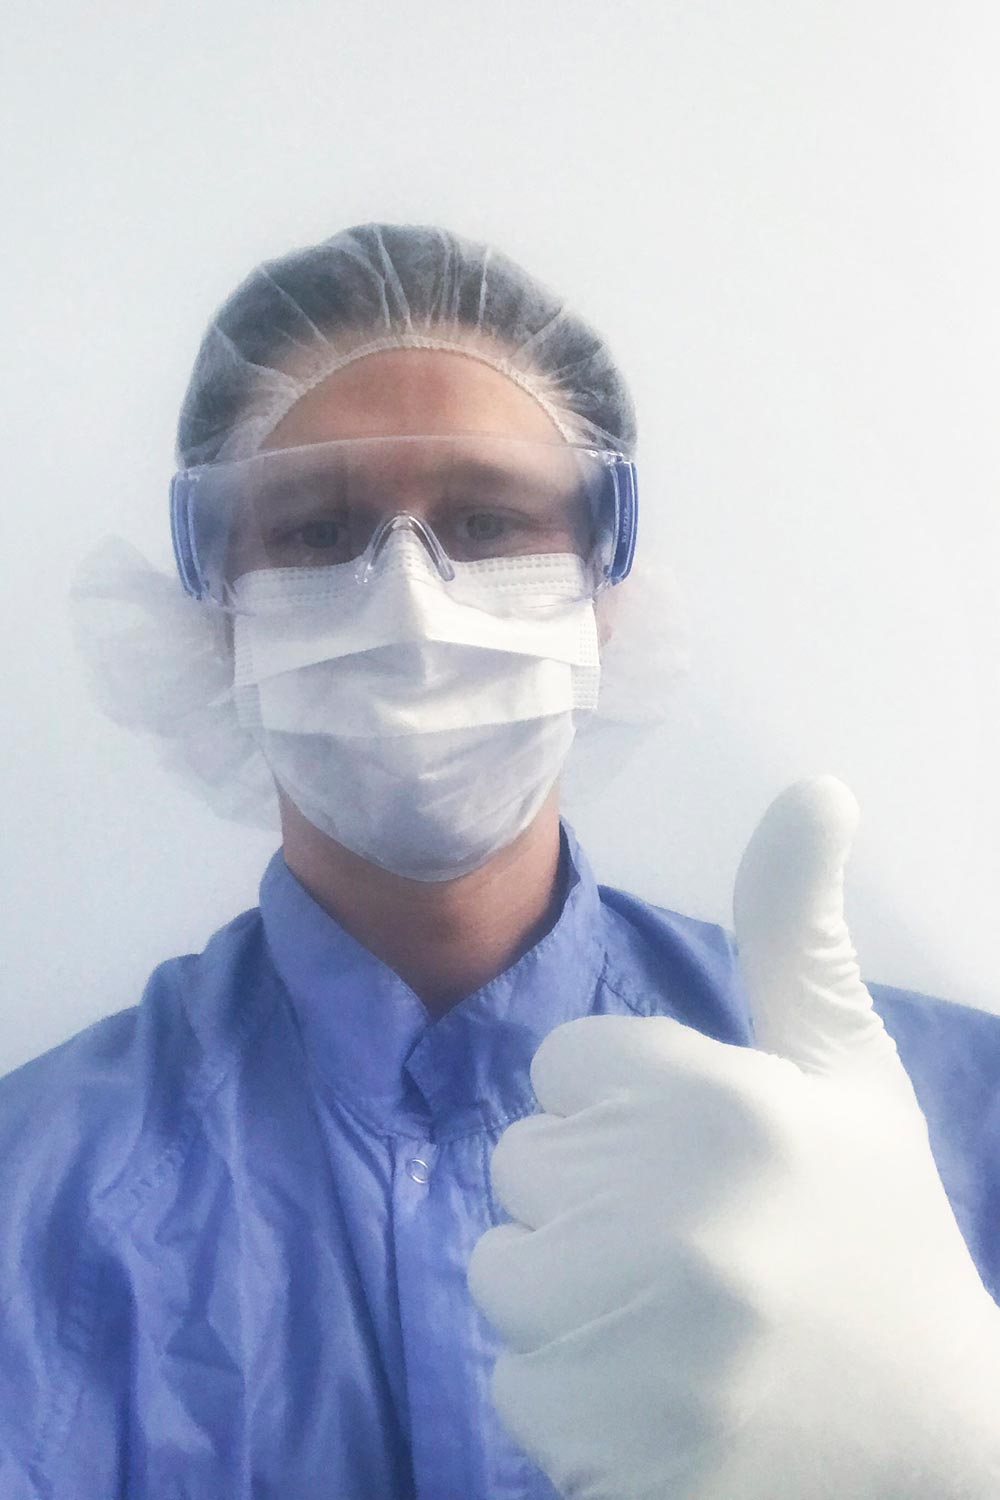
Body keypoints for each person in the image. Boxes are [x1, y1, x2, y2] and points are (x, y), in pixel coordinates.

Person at [0, 222, 997, 1499]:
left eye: (484, 520)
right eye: (314, 532)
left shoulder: (942, 1124)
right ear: (212, 616)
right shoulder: (37, 1205)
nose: (410, 602)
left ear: (606, 588)